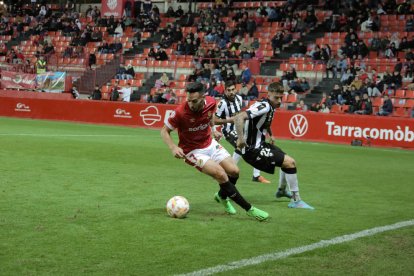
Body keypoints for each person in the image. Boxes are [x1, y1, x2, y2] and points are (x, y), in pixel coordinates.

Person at [161, 82, 269, 221]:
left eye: (194, 101)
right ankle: (249, 209)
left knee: (234, 171)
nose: (191, 104)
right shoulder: (180, 112)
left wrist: (213, 130)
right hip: (193, 151)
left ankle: (221, 196)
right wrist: (173, 147)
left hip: (210, 143)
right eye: (189, 100)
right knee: (221, 174)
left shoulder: (211, 102)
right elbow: (164, 131)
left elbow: (210, 117)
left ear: (203, 97)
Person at [234, 82, 314, 209]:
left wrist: (270, 134)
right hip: (254, 150)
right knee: (290, 162)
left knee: (285, 159)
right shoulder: (265, 106)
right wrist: (240, 138)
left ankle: (282, 191)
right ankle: (296, 200)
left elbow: (263, 123)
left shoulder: (269, 106)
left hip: (260, 145)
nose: (279, 101)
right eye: (276, 97)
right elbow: (239, 117)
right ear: (269, 94)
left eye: (281, 98)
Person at [214, 80, 271, 184]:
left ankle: (255, 175)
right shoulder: (222, 103)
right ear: (225, 91)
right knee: (243, 146)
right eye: (228, 90)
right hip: (228, 130)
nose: (231, 92)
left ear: (236, 89)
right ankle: (233, 171)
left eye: (233, 89)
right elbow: (214, 120)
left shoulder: (239, 99)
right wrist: (230, 120)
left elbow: (240, 114)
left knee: (254, 145)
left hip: (240, 129)